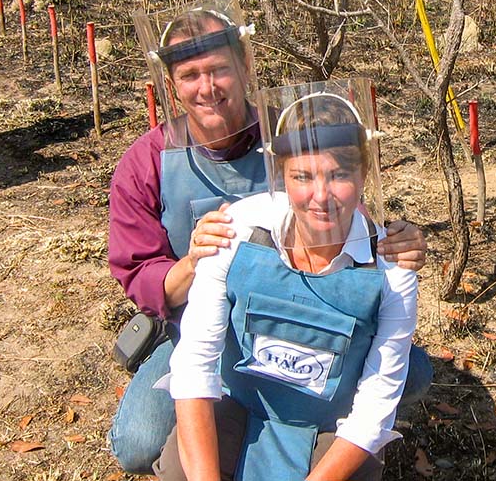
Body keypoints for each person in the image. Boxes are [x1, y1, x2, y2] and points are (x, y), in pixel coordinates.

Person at [107, 0, 430, 474]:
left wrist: (397, 242)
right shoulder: (146, 162)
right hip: (199, 324)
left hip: (312, 317)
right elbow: (139, 276)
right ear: (171, 84)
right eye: (190, 75)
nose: (207, 87)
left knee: (411, 372)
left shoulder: (292, 134)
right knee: (138, 443)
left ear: (244, 68)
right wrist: (194, 263)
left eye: (219, 69)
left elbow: (346, 214)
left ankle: (323, 417)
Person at [154, 85, 414, 481]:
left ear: (364, 173)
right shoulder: (236, 231)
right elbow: (195, 363)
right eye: (302, 176)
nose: (320, 196)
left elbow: (375, 406)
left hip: (328, 425)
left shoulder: (392, 269)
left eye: (339, 175)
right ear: (280, 175)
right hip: (240, 407)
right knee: (181, 469)